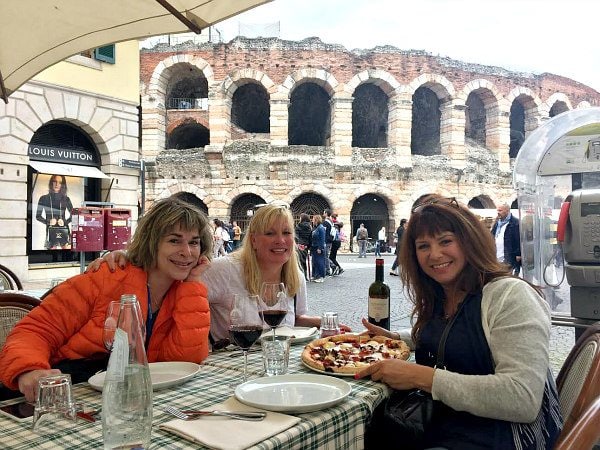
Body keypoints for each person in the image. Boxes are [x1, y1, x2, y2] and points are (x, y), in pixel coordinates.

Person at [356, 196, 562, 450]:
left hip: (506, 437)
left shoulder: (509, 295)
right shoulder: (444, 295)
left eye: (445, 241)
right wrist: (396, 339)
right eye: (423, 246)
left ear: (469, 242)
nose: (435, 254)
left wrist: (423, 377)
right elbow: (452, 337)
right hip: (451, 424)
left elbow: (522, 397)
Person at [0, 197, 213, 402]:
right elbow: (36, 330)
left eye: (194, 243)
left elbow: (185, 360)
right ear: (151, 242)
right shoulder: (107, 276)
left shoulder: (184, 293)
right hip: (69, 388)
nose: (187, 252)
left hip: (129, 397)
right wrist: (29, 370)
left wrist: (192, 283)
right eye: (174, 241)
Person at [91, 203, 350, 344]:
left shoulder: (295, 275)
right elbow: (175, 282)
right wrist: (130, 260)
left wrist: (327, 324)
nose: (280, 240)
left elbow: (297, 316)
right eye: (270, 233)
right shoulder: (225, 270)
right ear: (254, 240)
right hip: (228, 366)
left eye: (286, 233)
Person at [35, 174, 74, 249]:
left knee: (66, 253)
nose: (57, 184)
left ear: (63, 185)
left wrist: (65, 222)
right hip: (51, 229)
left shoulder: (66, 199)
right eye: (54, 181)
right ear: (51, 183)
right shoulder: (43, 198)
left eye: (60, 182)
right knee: (52, 252)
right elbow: (38, 216)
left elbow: (74, 215)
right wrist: (48, 221)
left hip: (64, 229)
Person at [491, 203, 522, 276]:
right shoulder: (497, 223)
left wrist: (518, 254)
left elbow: (519, 239)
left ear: (507, 211)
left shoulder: (515, 223)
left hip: (509, 257)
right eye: (497, 210)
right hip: (497, 256)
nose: (498, 212)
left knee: (507, 277)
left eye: (500, 210)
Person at [295, 213, 313, 281]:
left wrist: (298, 244)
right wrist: (309, 246)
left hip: (300, 246)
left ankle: (300, 277)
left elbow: (296, 236)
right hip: (305, 246)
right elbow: (310, 238)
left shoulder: (299, 226)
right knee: (304, 262)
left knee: (299, 262)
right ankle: (305, 276)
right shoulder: (309, 227)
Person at [311, 214, 327, 283]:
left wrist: (320, 248)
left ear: (316, 220)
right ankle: (316, 275)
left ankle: (321, 276)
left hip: (318, 247)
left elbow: (322, 239)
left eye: (313, 219)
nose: (312, 220)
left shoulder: (321, 228)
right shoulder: (316, 227)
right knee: (315, 262)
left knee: (320, 262)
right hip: (314, 247)